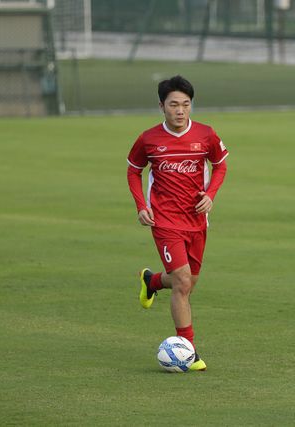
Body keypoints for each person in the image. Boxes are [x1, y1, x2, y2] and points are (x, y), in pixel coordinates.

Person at [126, 75, 229, 371]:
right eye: (174, 105)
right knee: (183, 282)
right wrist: (141, 206)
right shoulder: (148, 139)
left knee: (188, 283)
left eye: (185, 104)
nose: (180, 110)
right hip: (165, 220)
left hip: (196, 219)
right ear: (162, 106)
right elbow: (134, 171)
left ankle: (152, 281)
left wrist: (210, 195)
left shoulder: (206, 135)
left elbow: (220, 165)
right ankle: (189, 351)